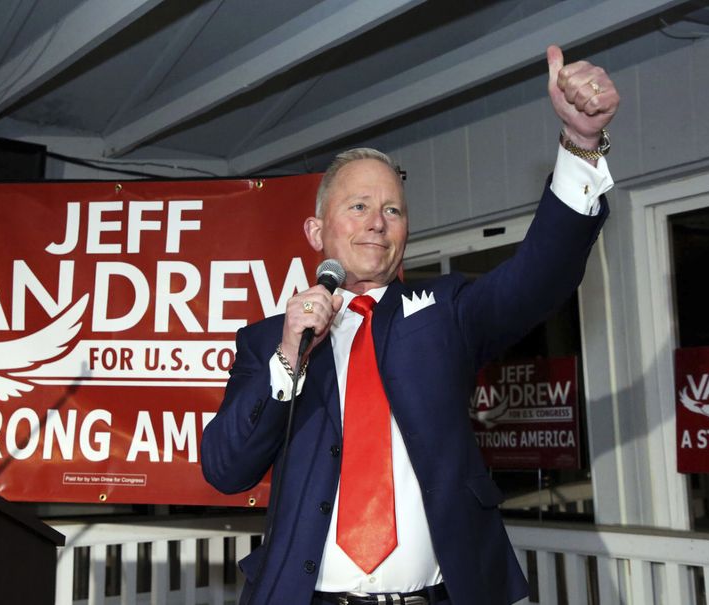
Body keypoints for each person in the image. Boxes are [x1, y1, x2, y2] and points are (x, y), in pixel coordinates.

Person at [201, 45, 620, 605]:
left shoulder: (445, 311)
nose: (377, 222)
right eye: (358, 207)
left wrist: (581, 145)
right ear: (314, 231)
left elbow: (539, 277)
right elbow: (226, 470)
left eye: (393, 210)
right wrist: (286, 361)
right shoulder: (268, 343)